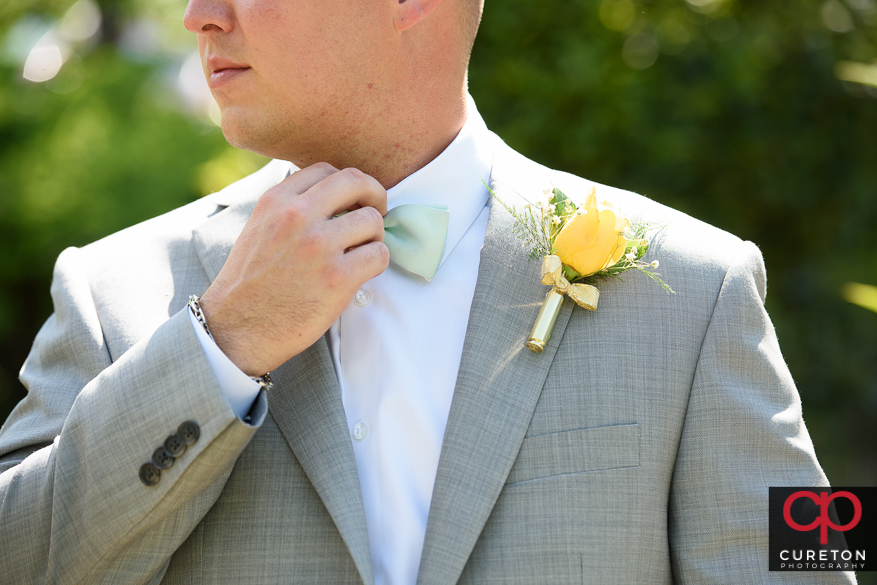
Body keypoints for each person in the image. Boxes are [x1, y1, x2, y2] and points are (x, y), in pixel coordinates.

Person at [0, 0, 855, 583]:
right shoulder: (109, 289)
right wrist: (219, 343)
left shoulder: (696, 289)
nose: (197, 13)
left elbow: (806, 562)